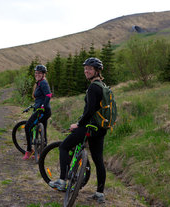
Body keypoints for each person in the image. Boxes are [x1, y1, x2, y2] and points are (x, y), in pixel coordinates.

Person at [49, 57, 107, 204]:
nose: (86, 71)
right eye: (85, 68)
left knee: (64, 146)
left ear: (96, 71)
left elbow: (89, 111)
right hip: (100, 129)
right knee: (98, 160)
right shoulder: (102, 85)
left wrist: (78, 124)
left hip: (90, 127)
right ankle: (100, 194)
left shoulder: (93, 87)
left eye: (89, 69)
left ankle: (62, 180)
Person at [23, 65, 52, 160]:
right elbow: (40, 98)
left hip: (42, 110)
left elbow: (48, 95)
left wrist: (43, 106)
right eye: (36, 73)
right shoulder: (39, 83)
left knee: (28, 126)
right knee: (42, 130)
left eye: (39, 73)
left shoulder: (43, 83)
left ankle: (29, 150)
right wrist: (34, 105)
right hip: (42, 110)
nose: (37, 74)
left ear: (43, 74)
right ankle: (41, 153)